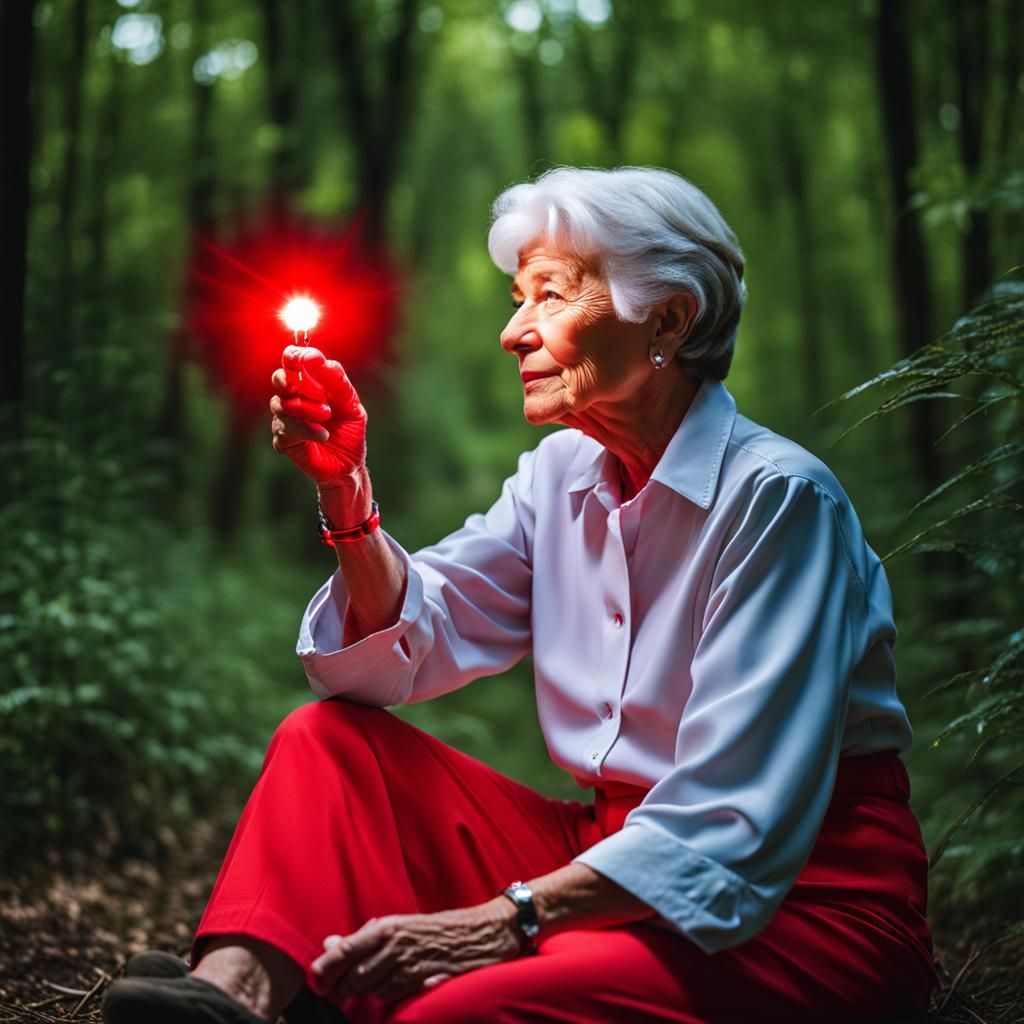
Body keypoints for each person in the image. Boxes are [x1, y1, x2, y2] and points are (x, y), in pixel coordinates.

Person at [103, 166, 936, 1024]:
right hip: (606, 856)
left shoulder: (779, 501)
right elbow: (407, 646)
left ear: (669, 320)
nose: (513, 331)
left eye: (549, 296)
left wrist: (500, 922)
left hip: (800, 905)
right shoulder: (561, 474)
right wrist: (347, 492)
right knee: (326, 741)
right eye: (516, 296)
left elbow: (731, 823)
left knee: (447, 1013)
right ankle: (231, 993)